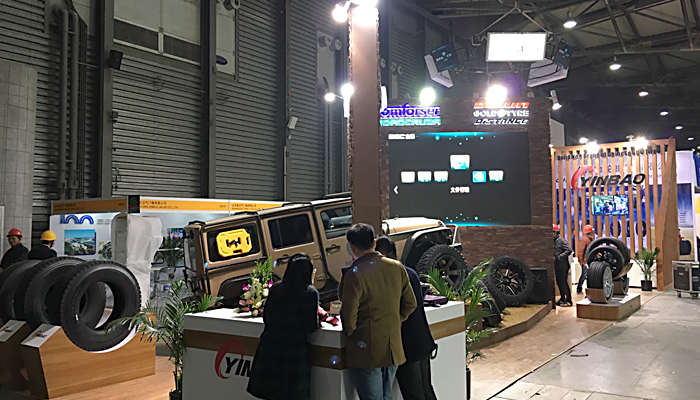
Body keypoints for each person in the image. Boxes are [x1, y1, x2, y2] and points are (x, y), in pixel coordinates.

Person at [340, 223, 417, 400]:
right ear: (374, 243)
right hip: (392, 347)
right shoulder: (396, 267)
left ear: (352, 247)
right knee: (386, 396)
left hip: (366, 351)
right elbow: (410, 303)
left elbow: (348, 315)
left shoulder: (354, 274)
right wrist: (395, 320)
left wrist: (352, 331)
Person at [247, 253, 319, 400]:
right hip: (293, 353)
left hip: (269, 348)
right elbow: (310, 326)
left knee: (270, 394)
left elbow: (267, 317)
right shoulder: (309, 293)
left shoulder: (276, 289)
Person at [375, 236, 437, 400]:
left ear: (383, 255)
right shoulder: (410, 272)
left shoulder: (392, 275)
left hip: (405, 344)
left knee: (414, 394)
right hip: (421, 340)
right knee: (426, 390)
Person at [553, 224, 573, 307]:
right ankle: (562, 298)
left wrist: (560, 256)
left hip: (563, 266)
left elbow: (569, 250)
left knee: (563, 282)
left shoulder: (561, 240)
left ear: (555, 232)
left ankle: (568, 300)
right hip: (557, 265)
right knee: (559, 283)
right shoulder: (554, 242)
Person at [576, 225, 595, 295]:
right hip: (585, 262)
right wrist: (581, 262)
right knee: (584, 275)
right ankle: (579, 288)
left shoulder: (589, 240)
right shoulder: (584, 240)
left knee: (586, 275)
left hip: (588, 261)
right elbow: (580, 252)